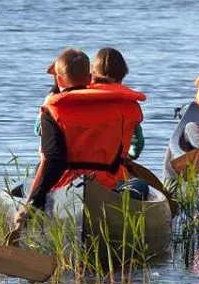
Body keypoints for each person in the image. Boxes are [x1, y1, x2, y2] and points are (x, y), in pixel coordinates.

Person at [24, 48, 147, 217]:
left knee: (32, 179)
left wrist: (53, 92)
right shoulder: (126, 107)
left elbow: (41, 133)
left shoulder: (56, 108)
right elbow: (137, 145)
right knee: (141, 186)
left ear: (93, 77)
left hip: (64, 184)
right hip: (107, 183)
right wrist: (128, 158)